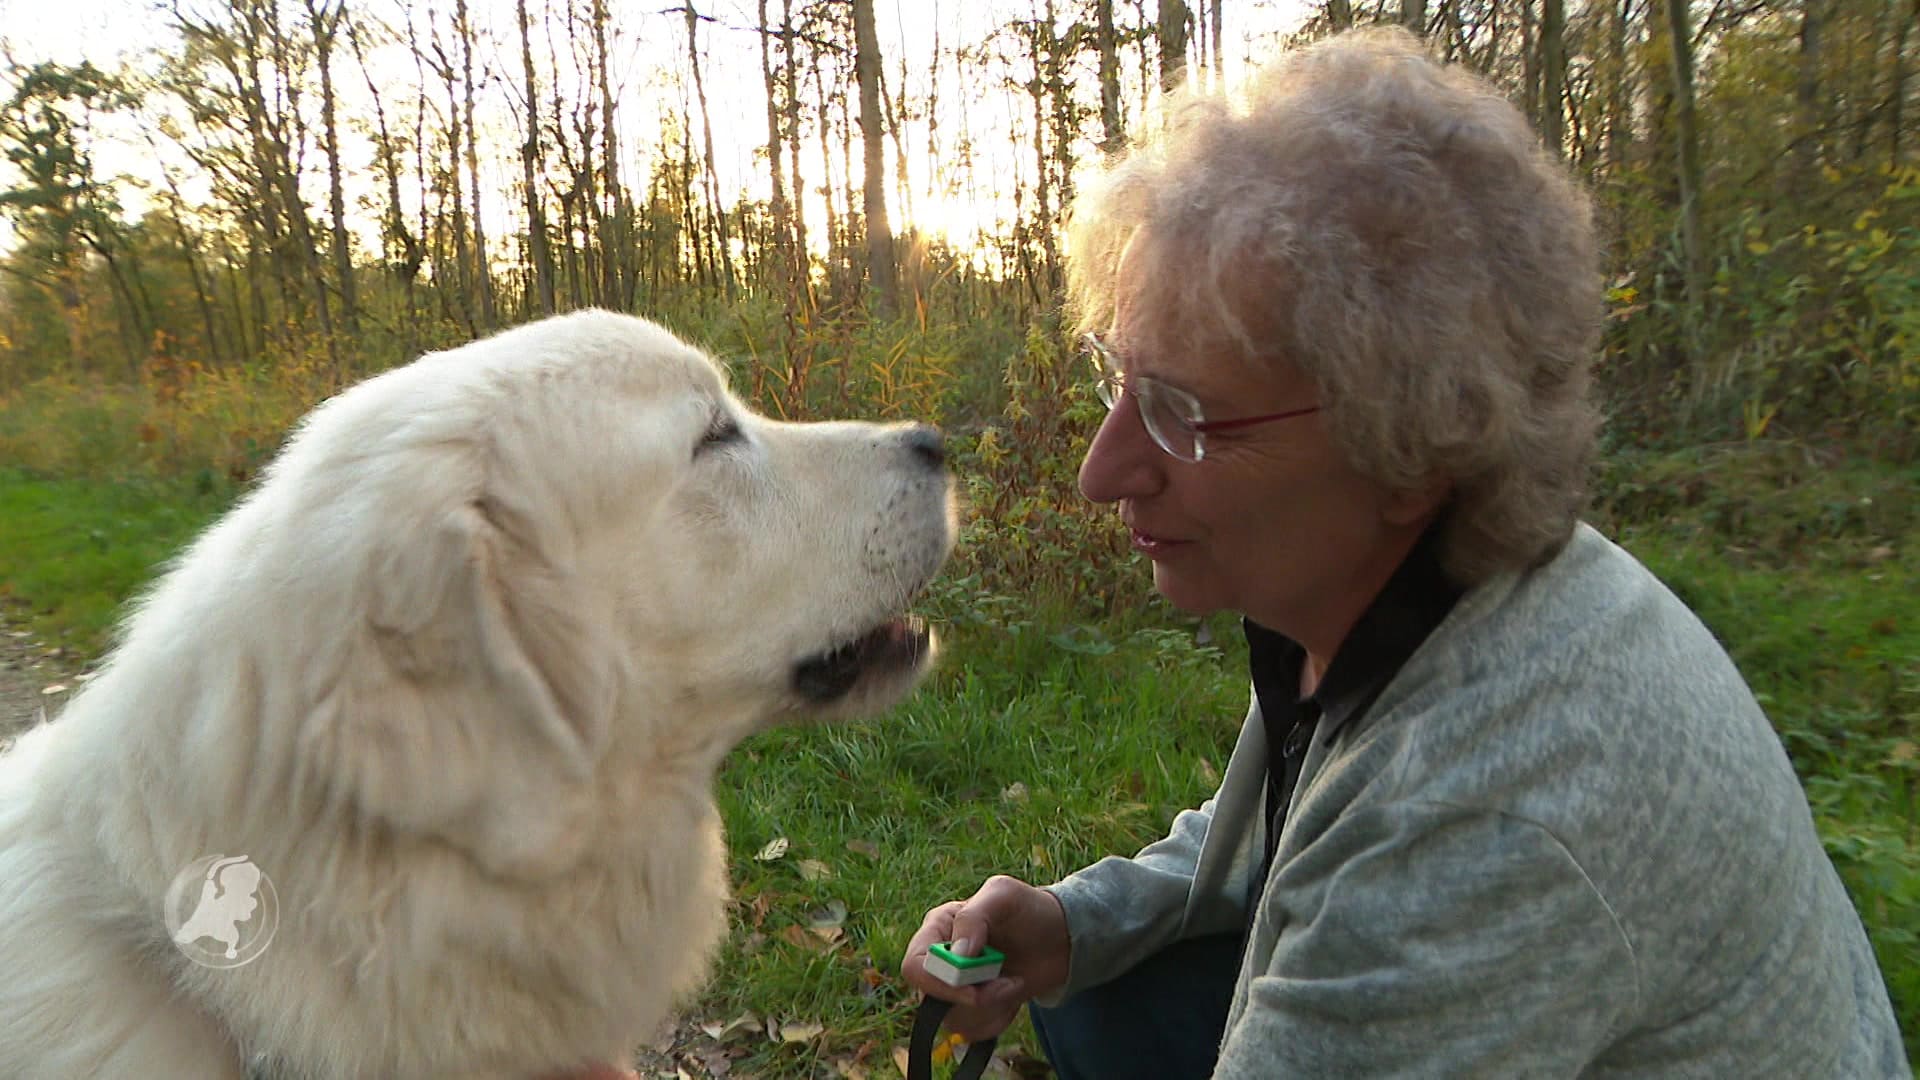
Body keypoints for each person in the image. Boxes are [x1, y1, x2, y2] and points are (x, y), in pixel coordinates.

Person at [900, 27, 1909, 1079]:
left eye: (1183, 414)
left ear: (1412, 446)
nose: (1101, 475)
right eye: (1121, 381)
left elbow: (1391, 839)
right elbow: (1297, 825)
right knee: (1104, 998)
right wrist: (1075, 921)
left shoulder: (1473, 827)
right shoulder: (1406, 588)